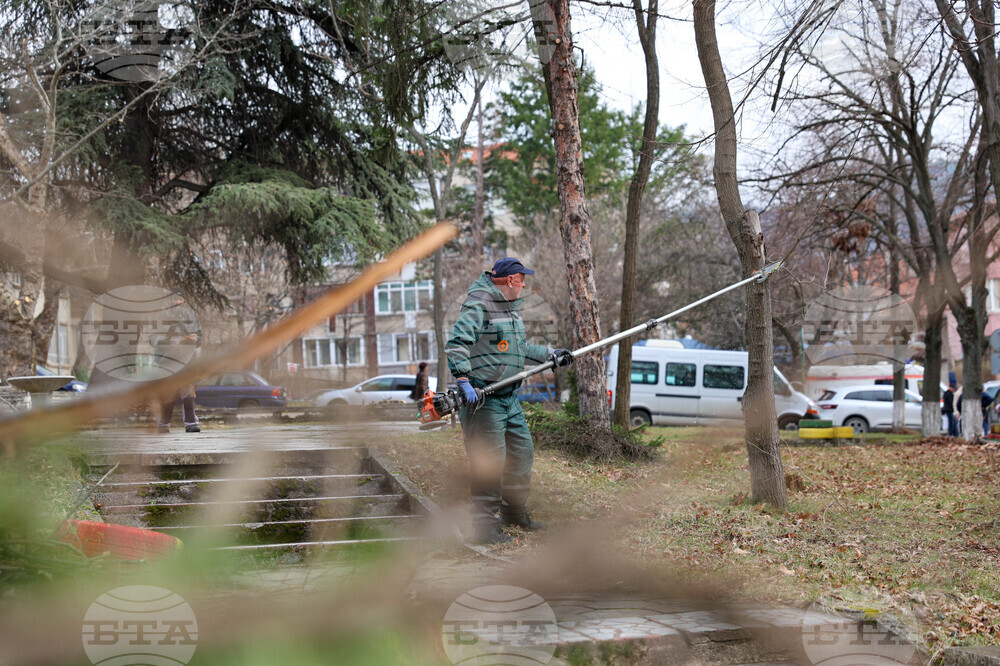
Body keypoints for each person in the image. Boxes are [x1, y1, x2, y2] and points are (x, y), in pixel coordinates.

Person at [445, 257, 573, 545]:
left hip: (508, 397)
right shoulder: (480, 303)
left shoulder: (508, 308)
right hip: (484, 399)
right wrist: (463, 380)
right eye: (521, 279)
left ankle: (513, 512)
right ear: (509, 280)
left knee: (522, 453)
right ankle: (484, 528)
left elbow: (519, 347)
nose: (525, 284)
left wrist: (549, 354)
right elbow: (457, 343)